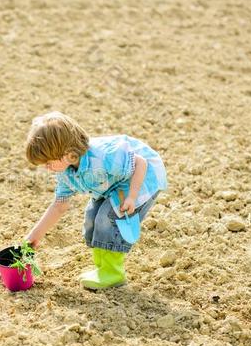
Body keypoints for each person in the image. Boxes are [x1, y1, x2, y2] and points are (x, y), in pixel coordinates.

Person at [24, 111, 168, 289]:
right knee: (92, 217)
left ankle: (113, 272)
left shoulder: (104, 156)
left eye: (48, 163)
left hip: (142, 179)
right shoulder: (65, 173)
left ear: (68, 154)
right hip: (114, 182)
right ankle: (102, 269)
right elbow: (59, 205)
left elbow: (141, 163)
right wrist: (33, 237)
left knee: (108, 218)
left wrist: (131, 196)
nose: (47, 168)